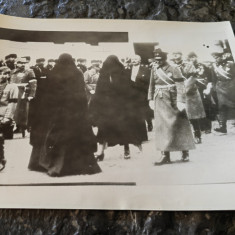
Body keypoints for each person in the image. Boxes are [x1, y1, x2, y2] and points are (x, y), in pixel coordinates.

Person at [28, 53, 101, 177]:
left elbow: (47, 96)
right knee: (76, 137)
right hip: (74, 113)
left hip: (56, 113)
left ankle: (53, 165)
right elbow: (81, 95)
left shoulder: (53, 73)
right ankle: (76, 165)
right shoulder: (77, 73)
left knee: (54, 137)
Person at [90, 55, 147, 160]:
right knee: (106, 130)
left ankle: (120, 151)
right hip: (111, 108)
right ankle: (102, 152)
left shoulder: (119, 74)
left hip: (118, 108)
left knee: (115, 130)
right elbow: (99, 92)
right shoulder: (107, 75)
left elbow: (127, 89)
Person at [148, 48, 195, 165]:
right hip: (160, 99)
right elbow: (151, 84)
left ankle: (185, 151)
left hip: (173, 100)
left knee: (180, 126)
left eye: (160, 59)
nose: (158, 61)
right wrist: (150, 98)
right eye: (156, 59)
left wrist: (181, 100)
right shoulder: (154, 68)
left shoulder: (174, 68)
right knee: (162, 127)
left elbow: (180, 85)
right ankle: (165, 155)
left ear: (164, 59)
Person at [171, 51, 206, 144]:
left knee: (193, 116)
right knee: (180, 116)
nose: (175, 56)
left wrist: (184, 89)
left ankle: (197, 135)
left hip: (190, 92)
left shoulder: (188, 65)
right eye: (174, 54)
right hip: (178, 93)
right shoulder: (171, 66)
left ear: (181, 55)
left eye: (177, 54)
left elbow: (193, 78)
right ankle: (182, 137)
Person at [187, 52, 215, 133]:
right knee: (197, 109)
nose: (192, 59)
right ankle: (201, 127)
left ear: (196, 57)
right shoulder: (188, 67)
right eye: (190, 57)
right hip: (194, 90)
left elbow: (210, 77)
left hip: (204, 89)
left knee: (206, 108)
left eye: (193, 57)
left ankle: (208, 128)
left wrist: (208, 88)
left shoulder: (203, 66)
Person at [11, 57, 36, 137]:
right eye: (20, 63)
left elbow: (33, 84)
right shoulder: (13, 72)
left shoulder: (29, 71)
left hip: (23, 94)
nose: (22, 65)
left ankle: (24, 128)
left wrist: (31, 94)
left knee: (24, 112)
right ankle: (15, 126)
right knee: (14, 111)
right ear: (16, 63)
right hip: (14, 94)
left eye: (23, 63)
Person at [211, 52, 235, 133]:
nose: (216, 59)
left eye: (217, 57)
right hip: (220, 87)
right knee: (222, 107)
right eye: (214, 57)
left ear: (222, 57)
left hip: (231, 86)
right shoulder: (214, 66)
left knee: (233, 105)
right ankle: (223, 127)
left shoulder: (231, 64)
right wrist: (215, 87)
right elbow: (213, 78)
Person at [0, 66, 18, 172]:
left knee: (0, 138)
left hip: (3, 115)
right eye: (2, 73)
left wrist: (7, 117)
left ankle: (1, 159)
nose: (4, 76)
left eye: (7, 74)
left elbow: (12, 104)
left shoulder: (12, 87)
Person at [130, 55, 153, 132]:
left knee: (144, 109)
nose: (134, 60)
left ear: (139, 60)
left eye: (136, 59)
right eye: (132, 59)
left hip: (142, 93)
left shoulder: (146, 70)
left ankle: (149, 123)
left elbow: (148, 82)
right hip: (131, 93)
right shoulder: (128, 69)